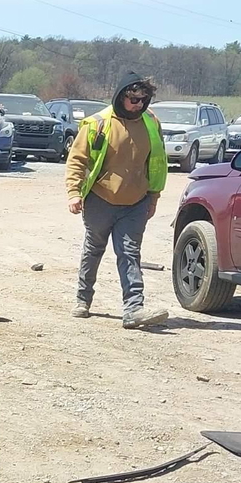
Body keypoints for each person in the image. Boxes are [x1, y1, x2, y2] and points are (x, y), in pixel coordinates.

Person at [64, 73, 169, 328]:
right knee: (94, 249)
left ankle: (134, 309)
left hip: (136, 201)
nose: (139, 105)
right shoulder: (97, 124)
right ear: (121, 96)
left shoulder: (151, 122)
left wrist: (153, 197)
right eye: (133, 99)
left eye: (143, 100)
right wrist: (74, 192)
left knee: (129, 252)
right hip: (101, 199)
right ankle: (83, 299)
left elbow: (156, 162)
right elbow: (77, 160)